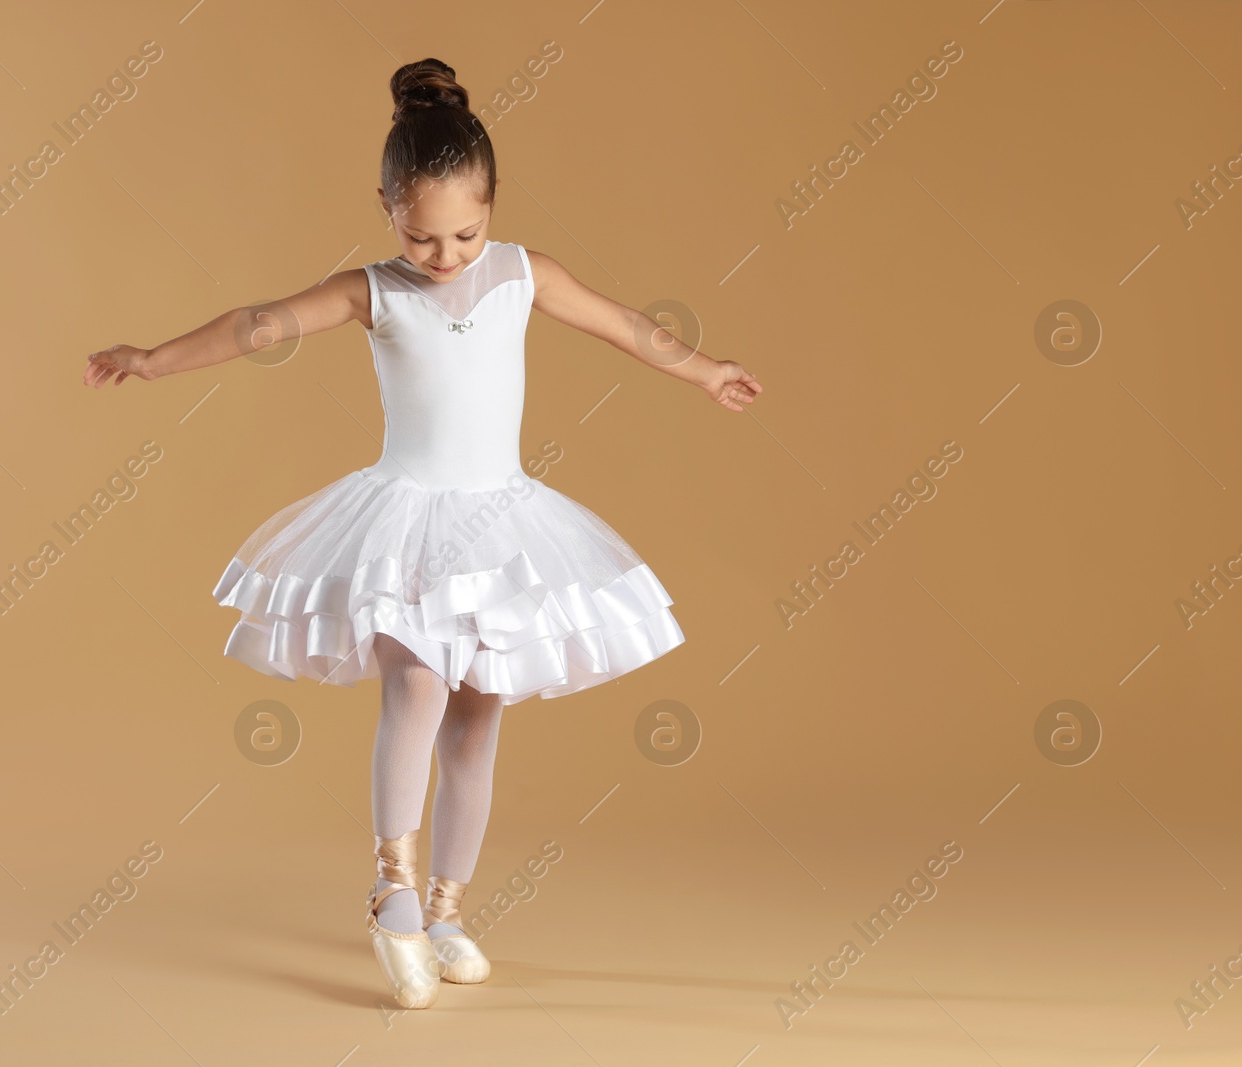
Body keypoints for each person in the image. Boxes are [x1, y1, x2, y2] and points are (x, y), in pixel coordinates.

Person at [82, 57, 762, 1011]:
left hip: (503, 519)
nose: (444, 254)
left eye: (464, 233)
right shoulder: (375, 289)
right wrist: (154, 360)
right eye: (421, 233)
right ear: (387, 209)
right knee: (415, 687)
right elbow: (258, 325)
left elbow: (622, 327)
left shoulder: (525, 274)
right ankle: (392, 894)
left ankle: (448, 910)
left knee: (478, 722)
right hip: (405, 520)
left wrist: (702, 369)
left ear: (492, 207)